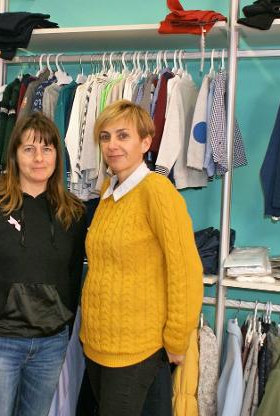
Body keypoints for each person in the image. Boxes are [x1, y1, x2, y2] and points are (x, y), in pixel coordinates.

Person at [0, 112, 87, 416]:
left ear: (57, 156)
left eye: (47, 149)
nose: (39, 158)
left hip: (50, 346)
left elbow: (74, 278)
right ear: (14, 155)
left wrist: (63, 330)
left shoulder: (73, 213)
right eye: (29, 149)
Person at [79, 100, 203, 415]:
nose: (112, 145)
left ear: (145, 142)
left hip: (136, 350)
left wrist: (177, 339)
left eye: (123, 136)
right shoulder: (109, 192)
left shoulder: (157, 191)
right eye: (105, 137)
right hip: (97, 346)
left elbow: (185, 270)